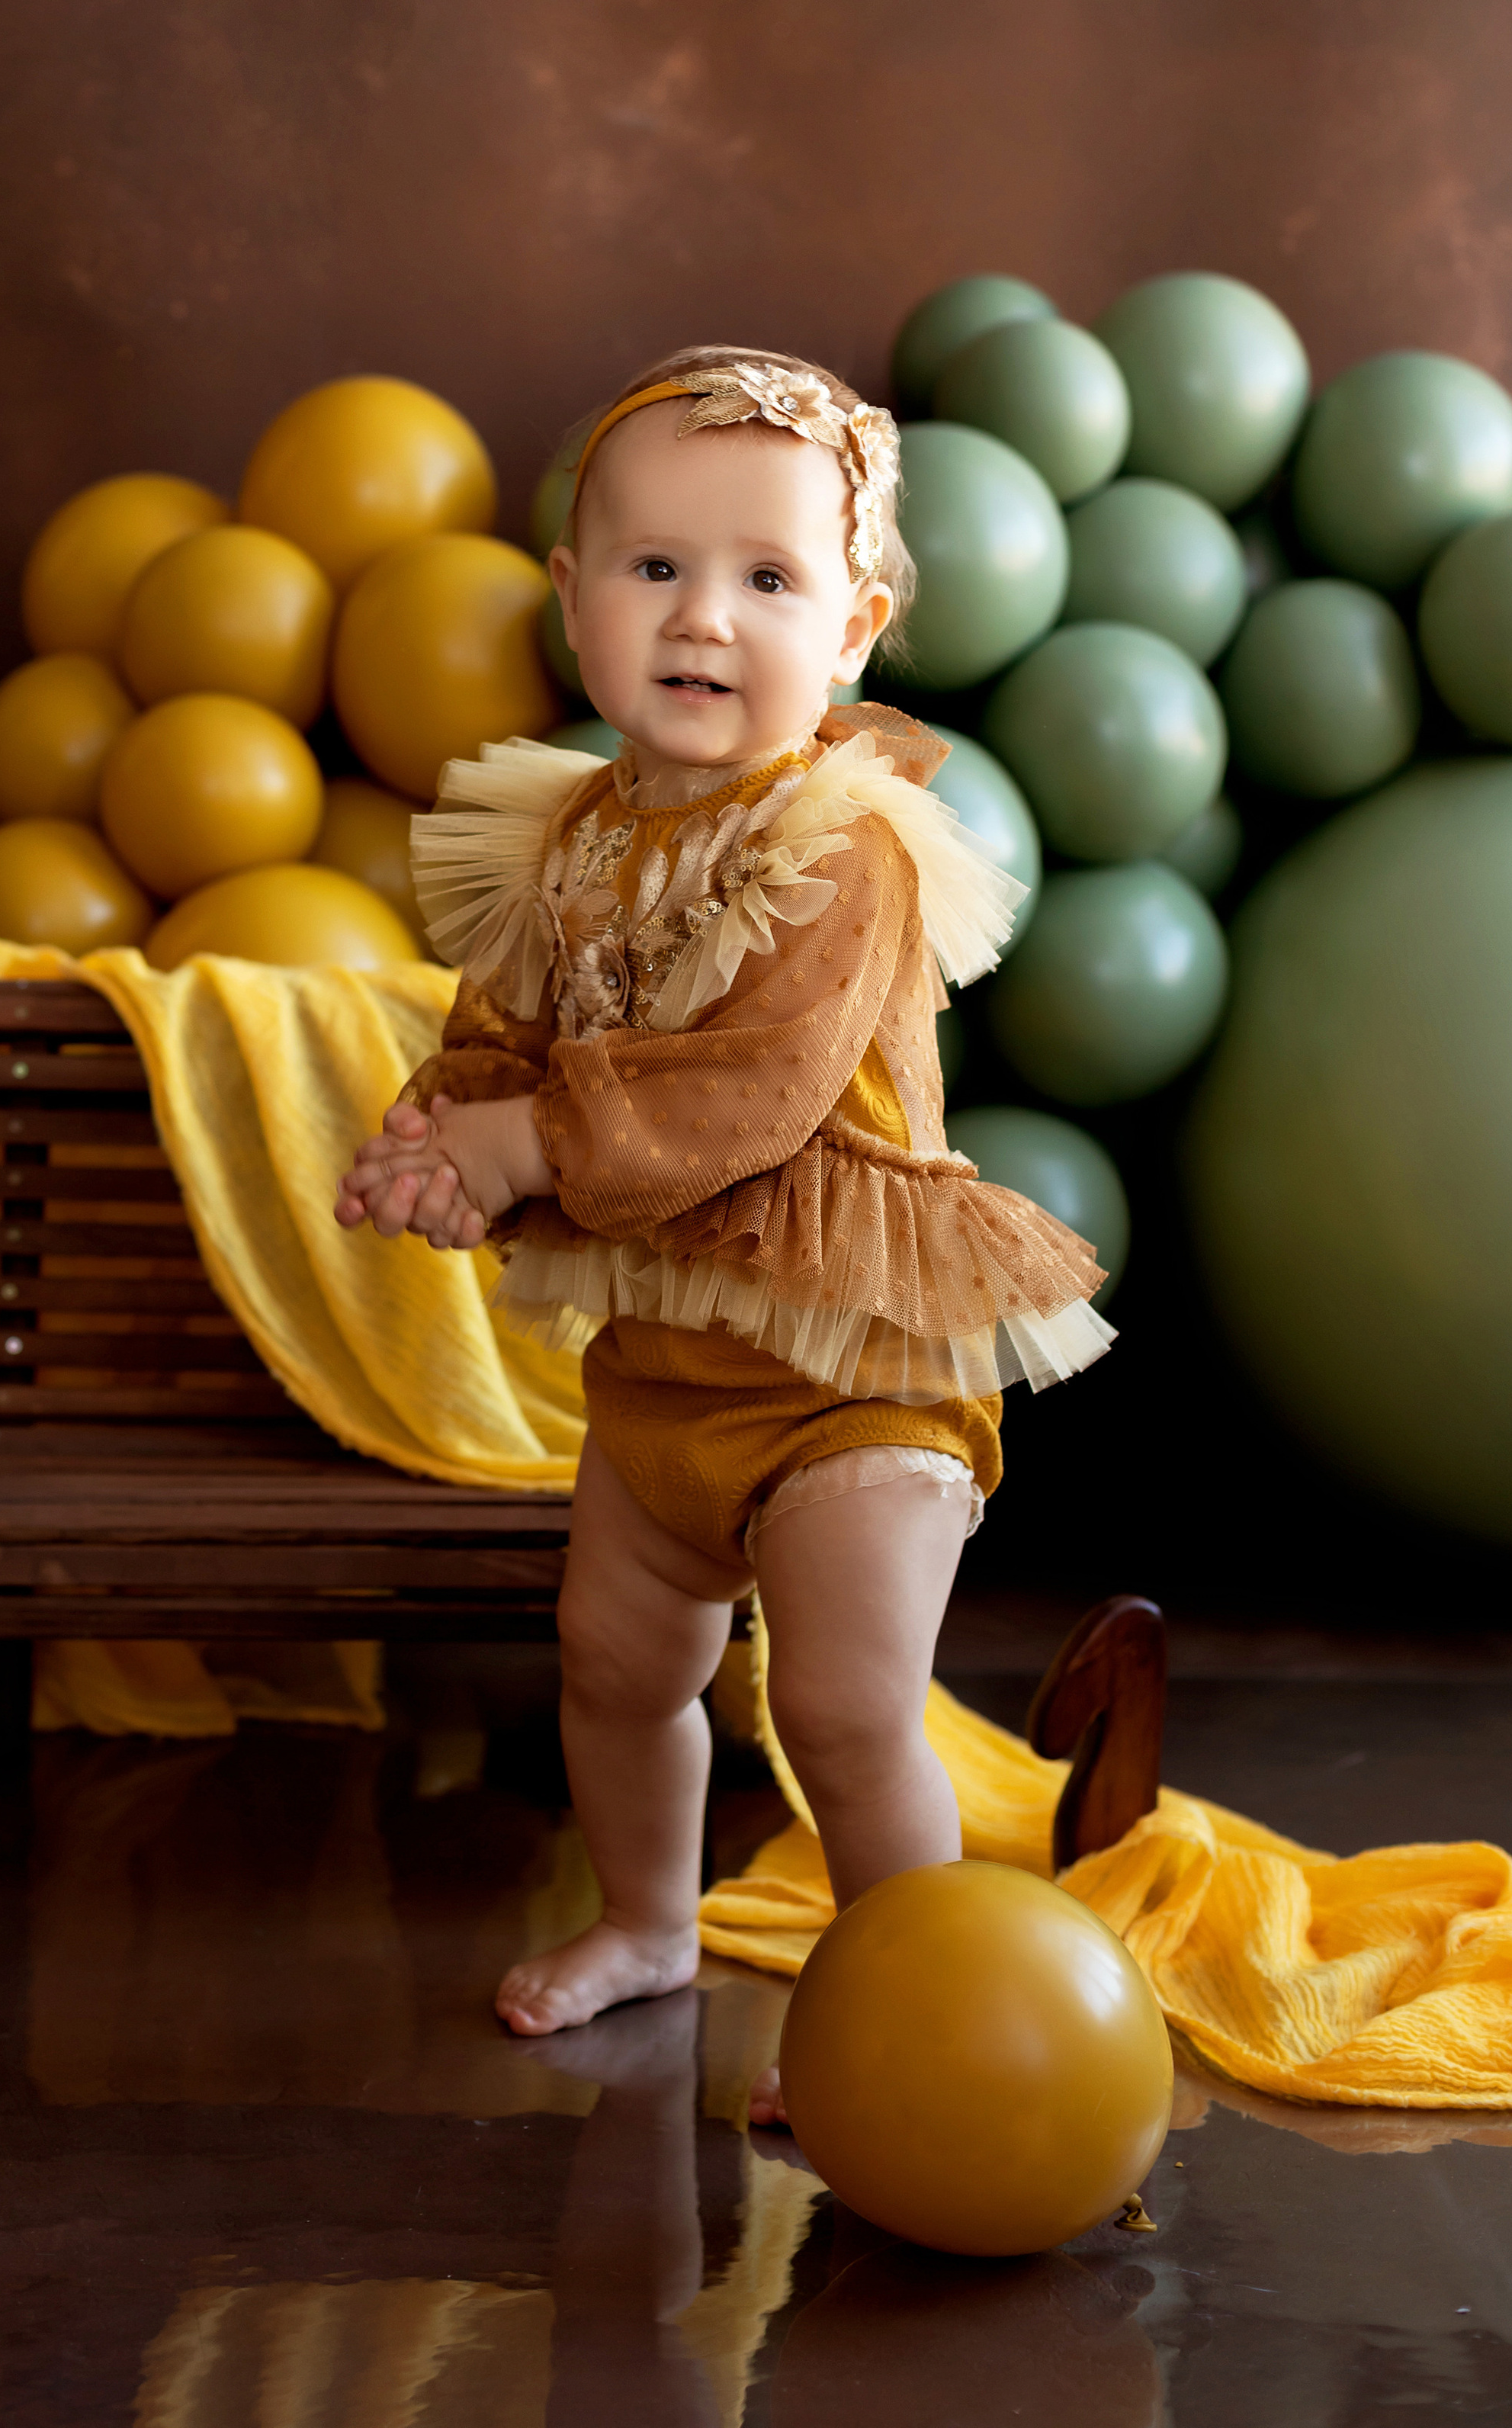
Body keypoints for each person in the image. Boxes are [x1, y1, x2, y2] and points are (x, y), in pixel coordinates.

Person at [335, 346, 1110, 2118]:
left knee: (840, 1715)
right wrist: (451, 1133)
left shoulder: (843, 845)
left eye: (768, 579)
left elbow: (740, 1097)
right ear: (572, 601)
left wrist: (526, 1141)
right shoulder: (570, 836)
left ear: (853, 626)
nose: (704, 618)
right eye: (656, 568)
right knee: (613, 1669)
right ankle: (647, 1921)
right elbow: (511, 1028)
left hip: (848, 1373)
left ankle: (900, 2011)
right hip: (671, 1368)